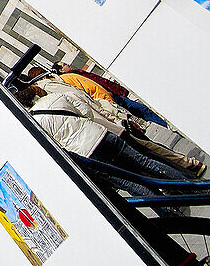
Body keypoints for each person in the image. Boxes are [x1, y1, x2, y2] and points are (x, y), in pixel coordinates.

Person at [15, 85, 190, 213]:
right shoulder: (56, 98)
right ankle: (192, 186)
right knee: (143, 161)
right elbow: (87, 112)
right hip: (101, 136)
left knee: (129, 183)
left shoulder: (34, 122)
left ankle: (169, 212)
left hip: (87, 155)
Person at [27, 69, 206, 178]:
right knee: (146, 151)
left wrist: (110, 110)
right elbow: (87, 97)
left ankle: (187, 168)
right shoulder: (62, 84)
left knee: (146, 152)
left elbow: (88, 103)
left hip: (106, 126)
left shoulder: (54, 90)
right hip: (107, 123)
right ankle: (182, 172)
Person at [54, 62, 169, 128]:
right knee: (138, 109)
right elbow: (86, 89)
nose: (67, 64)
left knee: (137, 109)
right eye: (64, 65)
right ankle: (165, 122)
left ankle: (163, 121)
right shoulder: (68, 79)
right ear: (61, 70)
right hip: (105, 98)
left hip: (109, 93)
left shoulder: (77, 73)